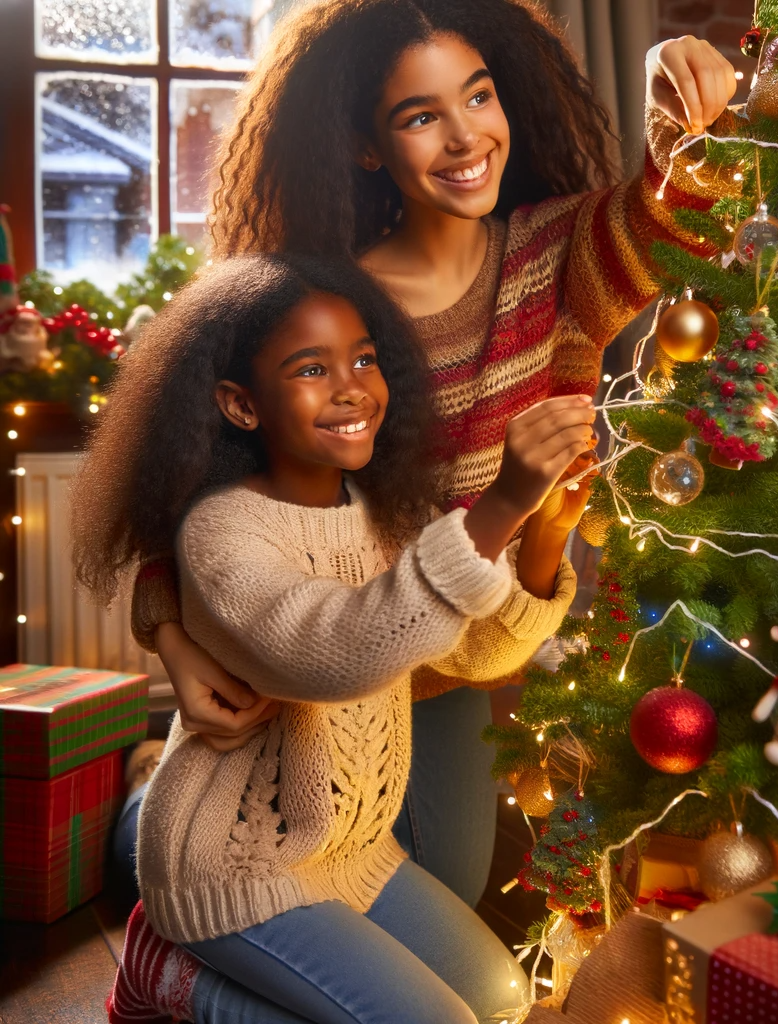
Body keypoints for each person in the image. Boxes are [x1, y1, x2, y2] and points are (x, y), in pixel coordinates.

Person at [131, 0, 738, 907]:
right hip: (301, 677)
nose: (464, 139)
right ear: (369, 148)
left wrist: (686, 101)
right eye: (420, 117)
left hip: (445, 681)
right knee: (250, 886)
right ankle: (139, 830)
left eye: (478, 98)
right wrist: (172, 638)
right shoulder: (320, 304)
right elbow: (196, 492)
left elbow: (679, 211)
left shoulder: (558, 260)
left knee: (447, 900)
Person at [72, 254, 593, 1023]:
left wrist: (544, 536)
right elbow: (334, 650)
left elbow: (480, 654)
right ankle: (170, 976)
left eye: (365, 359)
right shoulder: (223, 531)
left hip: (350, 853)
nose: (351, 386)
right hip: (231, 866)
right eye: (312, 368)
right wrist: (500, 504)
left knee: (503, 995)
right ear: (242, 406)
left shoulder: (384, 515)